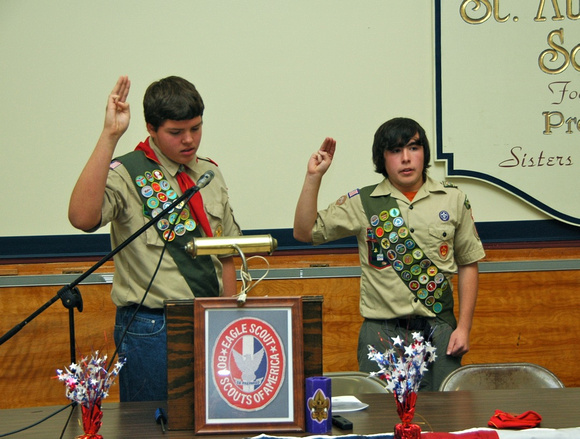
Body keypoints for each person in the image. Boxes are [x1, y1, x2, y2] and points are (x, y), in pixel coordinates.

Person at [69, 76, 241, 401]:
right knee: (150, 427)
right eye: (176, 132)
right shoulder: (128, 173)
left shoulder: (209, 173)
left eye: (196, 128)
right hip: (151, 327)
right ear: (151, 128)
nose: (189, 140)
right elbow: (82, 217)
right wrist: (110, 136)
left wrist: (228, 317)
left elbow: (228, 251)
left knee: (214, 422)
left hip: (211, 319)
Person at [293, 117, 485, 391]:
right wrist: (314, 177)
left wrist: (464, 327)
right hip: (381, 332)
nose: (406, 159)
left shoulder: (452, 199)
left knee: (445, 421)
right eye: (395, 151)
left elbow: (468, 263)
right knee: (382, 423)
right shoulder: (364, 202)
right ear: (381, 159)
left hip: (440, 329)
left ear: (424, 153)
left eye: (413, 148)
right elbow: (304, 231)